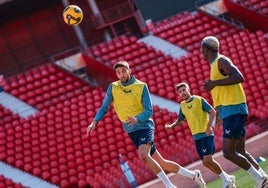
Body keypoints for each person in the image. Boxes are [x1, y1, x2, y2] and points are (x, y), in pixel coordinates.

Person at [86, 61, 206, 188]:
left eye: (123, 71)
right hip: (131, 130)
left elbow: (149, 110)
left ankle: (170, 186)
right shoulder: (113, 87)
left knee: (143, 155)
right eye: (118, 72)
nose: (121, 74)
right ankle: (194, 175)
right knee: (162, 162)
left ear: (129, 70)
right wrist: (94, 122)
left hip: (144, 126)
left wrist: (137, 118)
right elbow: (104, 107)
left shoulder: (141, 86)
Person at [201, 36, 268, 188]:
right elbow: (219, 94)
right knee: (240, 150)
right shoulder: (213, 66)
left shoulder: (221, 61)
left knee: (228, 152)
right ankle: (263, 177)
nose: (201, 53)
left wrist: (214, 83)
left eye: (201, 50)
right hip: (228, 112)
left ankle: (259, 178)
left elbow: (239, 76)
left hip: (235, 109)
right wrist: (218, 115)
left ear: (206, 49)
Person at [165, 82, 236, 188]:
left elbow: (212, 111)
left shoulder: (199, 100)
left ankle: (226, 180)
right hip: (196, 137)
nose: (182, 93)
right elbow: (180, 120)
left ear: (188, 89)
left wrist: (208, 127)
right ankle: (228, 178)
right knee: (205, 163)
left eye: (184, 90)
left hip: (206, 134)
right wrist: (171, 126)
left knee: (208, 160)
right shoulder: (182, 106)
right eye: (180, 92)